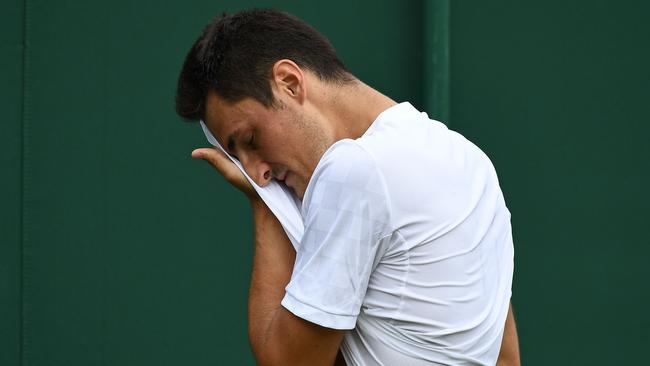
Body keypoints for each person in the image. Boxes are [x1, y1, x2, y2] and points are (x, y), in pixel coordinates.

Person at [175, 9, 520, 366]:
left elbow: (288, 362)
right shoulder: (468, 159)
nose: (255, 172)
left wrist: (265, 204)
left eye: (250, 139)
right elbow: (506, 359)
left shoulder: (353, 170)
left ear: (290, 82)